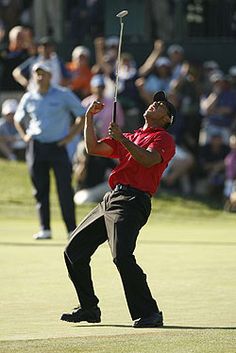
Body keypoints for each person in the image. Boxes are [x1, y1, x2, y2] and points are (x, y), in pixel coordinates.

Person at [61, 90, 176, 328]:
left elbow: (148, 160)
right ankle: (89, 308)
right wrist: (89, 118)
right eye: (155, 101)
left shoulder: (163, 138)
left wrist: (122, 139)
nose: (155, 103)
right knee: (74, 250)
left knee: (122, 256)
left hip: (134, 201)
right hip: (112, 198)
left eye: (162, 104)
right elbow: (93, 148)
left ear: (167, 119)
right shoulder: (132, 134)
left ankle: (150, 313)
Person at [14, 62, 86, 240]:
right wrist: (24, 136)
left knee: (64, 188)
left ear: (50, 76)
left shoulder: (63, 94)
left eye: (43, 74)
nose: (40, 77)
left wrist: (69, 137)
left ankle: (71, 229)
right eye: (37, 74)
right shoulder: (29, 97)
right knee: (40, 189)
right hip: (36, 146)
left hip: (57, 147)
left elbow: (82, 115)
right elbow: (18, 119)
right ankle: (45, 228)